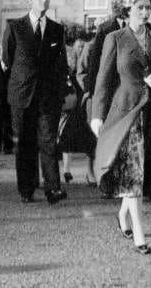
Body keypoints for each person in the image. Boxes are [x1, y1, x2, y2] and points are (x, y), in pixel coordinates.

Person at [91, 0, 151, 254]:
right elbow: (103, 78)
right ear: (129, 10)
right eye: (140, 8)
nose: (145, 12)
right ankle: (140, 235)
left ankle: (123, 216)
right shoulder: (116, 38)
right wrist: (97, 114)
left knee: (141, 172)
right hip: (126, 112)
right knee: (133, 170)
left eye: (148, 7)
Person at [2, 0, 68, 204]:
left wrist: (60, 93)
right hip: (22, 96)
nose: (44, 1)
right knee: (24, 143)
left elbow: (61, 64)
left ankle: (53, 188)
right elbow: (9, 61)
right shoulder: (15, 27)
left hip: (48, 97)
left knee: (49, 141)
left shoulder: (57, 30)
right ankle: (27, 188)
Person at [59, 23, 96, 186]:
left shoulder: (89, 50)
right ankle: (66, 169)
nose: (81, 45)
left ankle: (90, 172)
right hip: (72, 95)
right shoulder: (67, 54)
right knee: (67, 135)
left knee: (90, 136)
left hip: (85, 96)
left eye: (83, 42)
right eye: (78, 42)